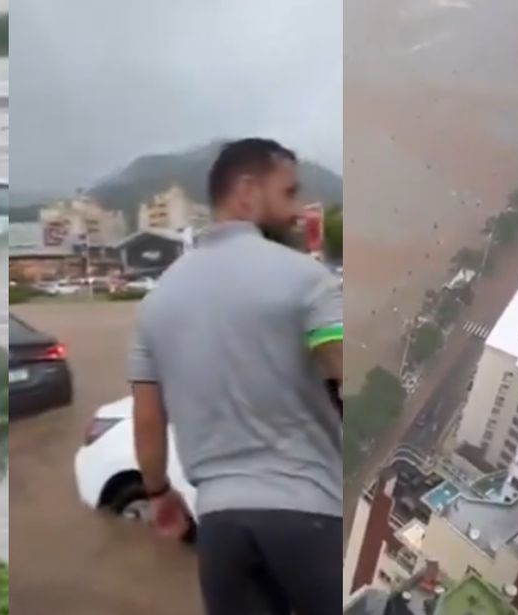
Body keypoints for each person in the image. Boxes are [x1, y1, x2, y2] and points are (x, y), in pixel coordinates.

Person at [129, 138, 343, 615]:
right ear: (247, 190)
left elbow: (147, 417)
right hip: (310, 512)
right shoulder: (308, 281)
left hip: (220, 526)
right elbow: (347, 375)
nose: (295, 211)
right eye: (288, 193)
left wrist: (159, 493)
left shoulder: (156, 301)